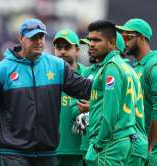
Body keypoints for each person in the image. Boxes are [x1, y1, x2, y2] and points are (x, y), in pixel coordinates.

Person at [0, 18, 92, 166]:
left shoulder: (57, 66)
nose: (39, 41)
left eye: (41, 37)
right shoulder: (3, 69)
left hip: (47, 153)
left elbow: (84, 88)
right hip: (14, 153)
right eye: (33, 37)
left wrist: (107, 82)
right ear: (21, 38)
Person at [85, 20, 141, 166]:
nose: (91, 44)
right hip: (121, 139)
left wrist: (98, 144)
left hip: (110, 143)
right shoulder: (125, 66)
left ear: (111, 43)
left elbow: (110, 112)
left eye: (97, 40)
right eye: (90, 40)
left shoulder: (111, 68)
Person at [117, 18, 153, 165]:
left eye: (128, 37)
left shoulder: (153, 65)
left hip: (151, 148)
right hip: (137, 144)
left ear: (142, 38)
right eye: (122, 37)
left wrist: (151, 144)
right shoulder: (134, 68)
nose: (124, 42)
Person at [53, 29, 85, 166]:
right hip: (52, 150)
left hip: (81, 151)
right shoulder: (47, 77)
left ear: (77, 50)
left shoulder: (88, 75)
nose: (62, 52)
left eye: (67, 47)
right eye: (58, 47)